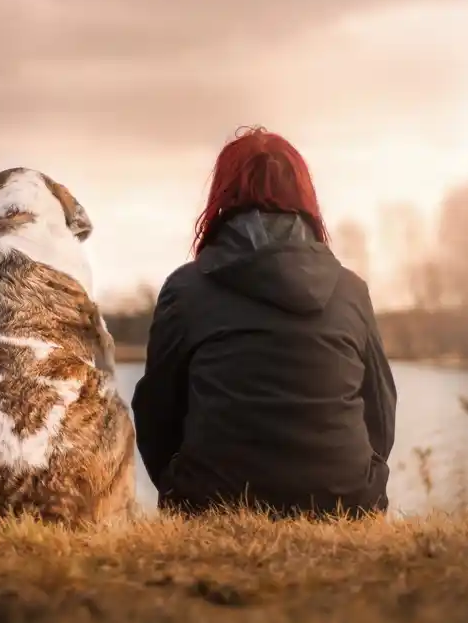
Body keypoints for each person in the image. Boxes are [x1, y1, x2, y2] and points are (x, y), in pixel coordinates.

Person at [130, 125, 397, 519]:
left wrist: (179, 486)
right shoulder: (350, 290)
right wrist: (355, 482)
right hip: (346, 503)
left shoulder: (185, 290)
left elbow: (156, 415)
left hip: (211, 504)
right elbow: (381, 412)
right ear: (304, 197)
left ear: (222, 196)